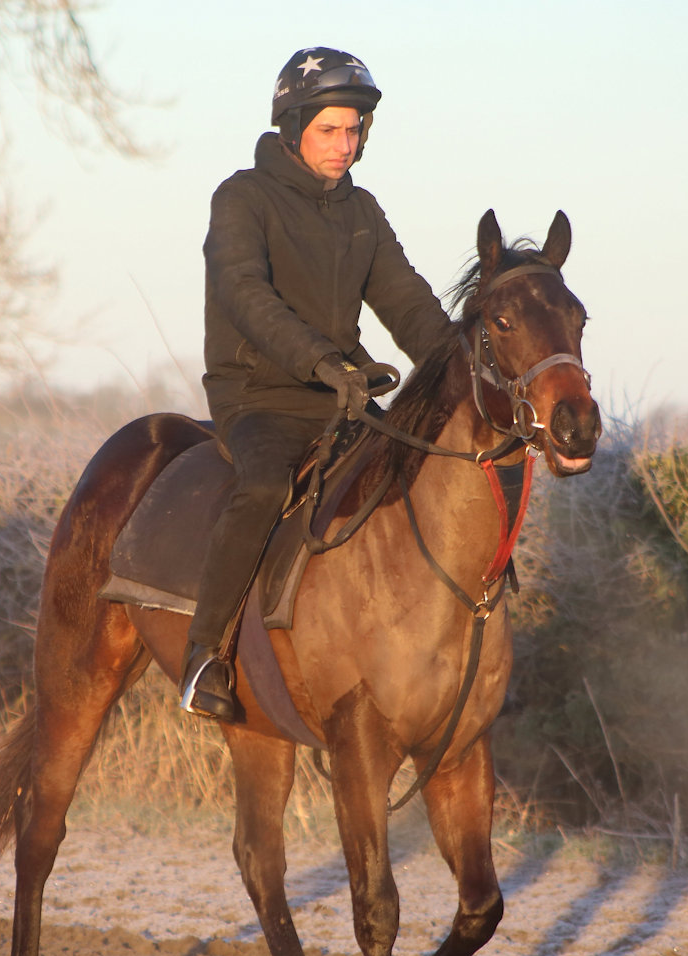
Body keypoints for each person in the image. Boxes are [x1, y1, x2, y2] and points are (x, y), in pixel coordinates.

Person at [180, 47, 453, 720]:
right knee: (266, 488)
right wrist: (323, 361)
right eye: (329, 129)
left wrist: (462, 370)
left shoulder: (363, 211)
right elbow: (247, 295)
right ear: (294, 126)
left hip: (344, 398)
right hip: (259, 396)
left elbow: (408, 302)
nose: (344, 145)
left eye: (354, 130)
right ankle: (204, 655)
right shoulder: (241, 198)